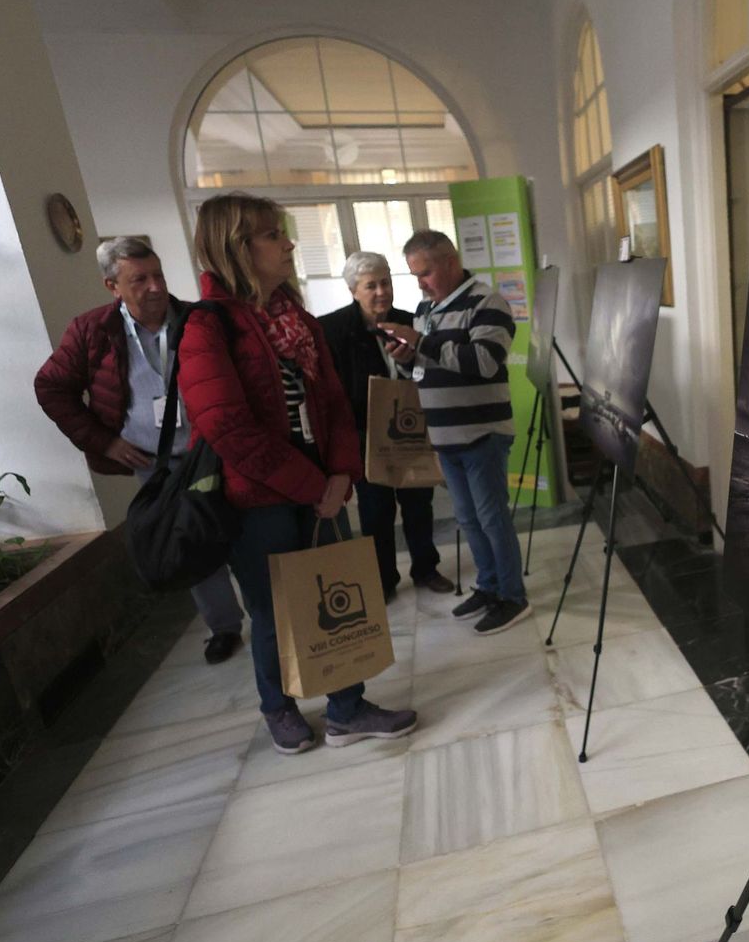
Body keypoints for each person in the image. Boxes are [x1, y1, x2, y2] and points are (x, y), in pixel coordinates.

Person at [179, 192, 418, 754]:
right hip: (257, 498)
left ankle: (346, 707)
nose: (288, 243)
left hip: (321, 488)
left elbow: (333, 403)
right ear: (238, 246)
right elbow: (228, 428)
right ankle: (278, 707)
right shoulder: (207, 326)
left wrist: (339, 473)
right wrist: (317, 486)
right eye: (272, 234)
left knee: (333, 589)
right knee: (271, 610)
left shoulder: (296, 320)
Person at [34, 237, 244, 665]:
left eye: (158, 275)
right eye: (139, 279)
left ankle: (269, 608)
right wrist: (104, 441)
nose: (154, 287)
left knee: (239, 530)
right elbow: (51, 387)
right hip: (156, 463)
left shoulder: (197, 320)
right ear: (112, 286)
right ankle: (223, 626)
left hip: (212, 450)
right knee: (190, 540)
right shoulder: (91, 331)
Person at [381, 231, 529, 635]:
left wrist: (422, 344)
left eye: (425, 272)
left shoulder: (488, 302)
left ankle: (513, 597)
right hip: (445, 436)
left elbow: (484, 361)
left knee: (492, 518)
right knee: (468, 518)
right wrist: (406, 358)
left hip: (482, 433)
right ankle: (489, 585)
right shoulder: (425, 308)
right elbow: (422, 371)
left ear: (449, 261)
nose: (420, 283)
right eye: (414, 275)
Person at [318, 251, 453, 601]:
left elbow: (429, 374)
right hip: (365, 437)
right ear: (353, 290)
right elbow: (329, 390)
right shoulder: (332, 330)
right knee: (376, 512)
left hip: (410, 432)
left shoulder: (411, 322)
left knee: (418, 504)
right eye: (371, 285)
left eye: (386, 282)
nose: (381, 291)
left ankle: (426, 568)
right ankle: (383, 579)